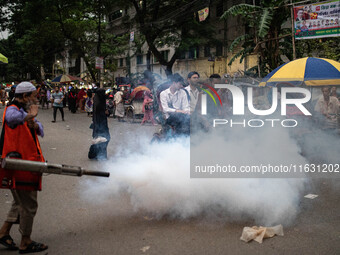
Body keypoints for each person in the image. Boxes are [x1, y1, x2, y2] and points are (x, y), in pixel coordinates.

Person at [0, 82, 48, 253]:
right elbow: (11, 119)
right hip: (21, 166)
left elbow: (40, 128)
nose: (36, 98)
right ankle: (25, 241)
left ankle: (3, 232)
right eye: (34, 95)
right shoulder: (13, 108)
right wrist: (29, 117)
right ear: (26, 96)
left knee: (18, 202)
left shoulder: (25, 111)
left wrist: (34, 123)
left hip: (28, 163)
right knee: (29, 205)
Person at [89, 88, 110, 160]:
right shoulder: (100, 102)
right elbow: (102, 114)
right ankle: (100, 156)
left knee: (100, 139)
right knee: (104, 138)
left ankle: (94, 154)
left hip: (98, 124)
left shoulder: (97, 100)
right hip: (101, 124)